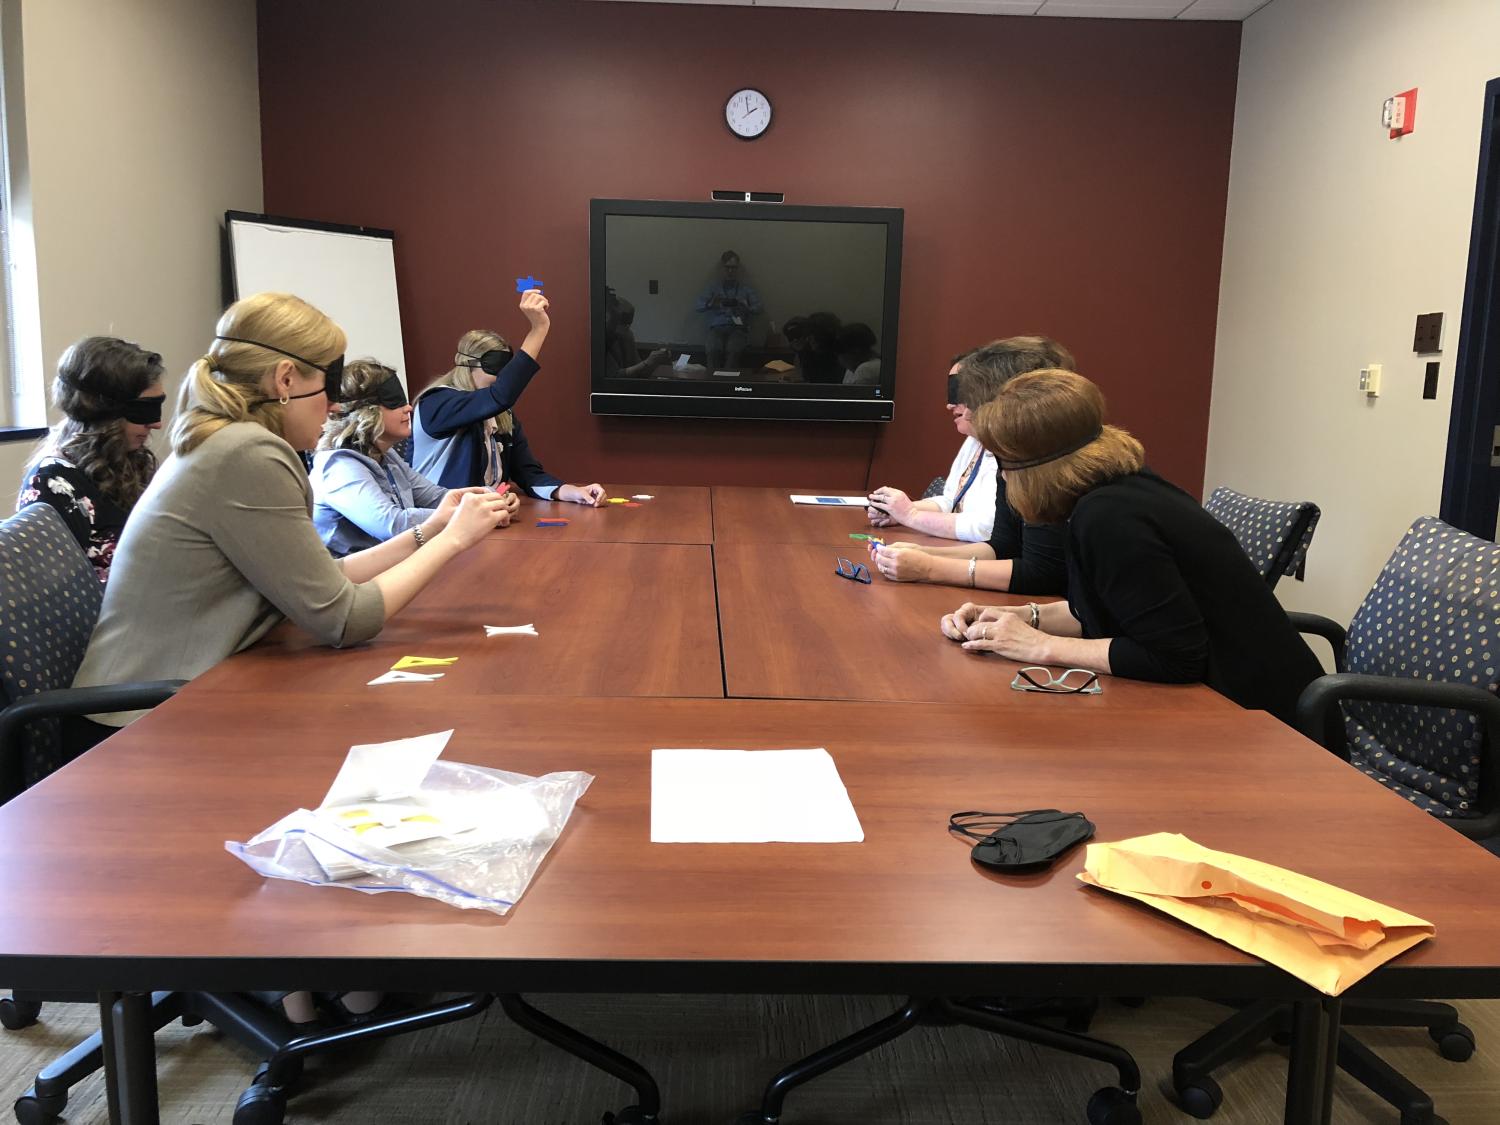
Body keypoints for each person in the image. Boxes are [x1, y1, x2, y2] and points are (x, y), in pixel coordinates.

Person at [69, 291, 511, 751]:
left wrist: (433, 529)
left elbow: (324, 580)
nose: (334, 406)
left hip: (186, 694)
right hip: (139, 724)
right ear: (284, 379)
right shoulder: (247, 453)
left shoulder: (229, 441)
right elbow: (346, 620)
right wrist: (454, 540)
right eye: (327, 385)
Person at [941, 369, 1323, 726]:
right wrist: (1025, 618)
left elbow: (1174, 658)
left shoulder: (1109, 517)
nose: (1003, 476)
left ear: (1034, 469)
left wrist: (1041, 647)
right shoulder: (1116, 491)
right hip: (1233, 701)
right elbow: (1113, 612)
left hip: (1263, 724)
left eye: (1002, 462)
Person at [866, 337, 1075, 595]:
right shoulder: (1009, 456)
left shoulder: (1049, 466)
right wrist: (922, 552)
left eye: (970, 398)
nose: (961, 409)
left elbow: (1043, 574)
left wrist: (930, 567)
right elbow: (1002, 546)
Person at [412, 290, 606, 506]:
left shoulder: (502, 416)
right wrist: (538, 329)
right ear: (468, 364)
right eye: (496, 367)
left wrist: (568, 491)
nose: (502, 377)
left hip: (486, 519)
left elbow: (527, 472)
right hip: (438, 521)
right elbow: (501, 395)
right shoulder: (437, 403)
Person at [310, 358, 519, 557]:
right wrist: (471, 513)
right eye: (394, 402)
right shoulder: (339, 466)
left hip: (393, 570)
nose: (408, 407)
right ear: (366, 412)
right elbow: (393, 525)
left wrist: (490, 499)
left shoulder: (387, 457)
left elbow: (436, 497)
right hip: (357, 585)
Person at [17, 336, 166, 583]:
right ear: (103, 409)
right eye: (145, 410)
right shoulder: (53, 484)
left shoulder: (132, 463)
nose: (157, 423)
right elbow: (57, 590)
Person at [695, 250, 762, 371]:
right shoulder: (713, 287)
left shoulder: (745, 289)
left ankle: (728, 384)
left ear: (737, 269)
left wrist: (746, 306)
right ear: (722, 268)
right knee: (712, 349)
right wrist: (711, 303)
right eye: (727, 267)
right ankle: (712, 383)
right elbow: (698, 307)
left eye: (733, 268)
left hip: (738, 328)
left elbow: (758, 309)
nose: (730, 271)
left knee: (733, 350)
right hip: (717, 327)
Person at [604, 294, 669, 378]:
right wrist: (648, 362)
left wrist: (654, 362)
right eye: (623, 322)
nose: (627, 327)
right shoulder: (600, 340)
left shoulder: (627, 335)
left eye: (629, 323)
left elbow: (641, 372)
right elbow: (614, 376)